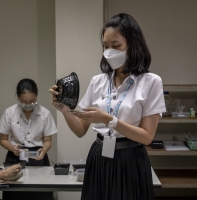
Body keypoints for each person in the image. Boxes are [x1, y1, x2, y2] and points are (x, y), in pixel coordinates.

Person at [49, 13, 166, 200]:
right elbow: (80, 130)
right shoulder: (98, 81)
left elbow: (147, 137)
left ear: (133, 44)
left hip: (131, 158)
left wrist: (108, 120)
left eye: (116, 46)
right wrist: (64, 109)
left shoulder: (151, 82)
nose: (109, 51)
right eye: (105, 46)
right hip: (99, 156)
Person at [0, 78, 58, 200]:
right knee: (15, 194)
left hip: (38, 156)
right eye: (23, 101)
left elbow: (48, 140)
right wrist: (13, 148)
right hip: (15, 156)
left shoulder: (45, 113)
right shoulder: (10, 112)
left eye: (32, 101)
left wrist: (44, 150)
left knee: (40, 193)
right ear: (18, 97)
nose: (28, 104)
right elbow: (3, 139)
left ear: (37, 97)